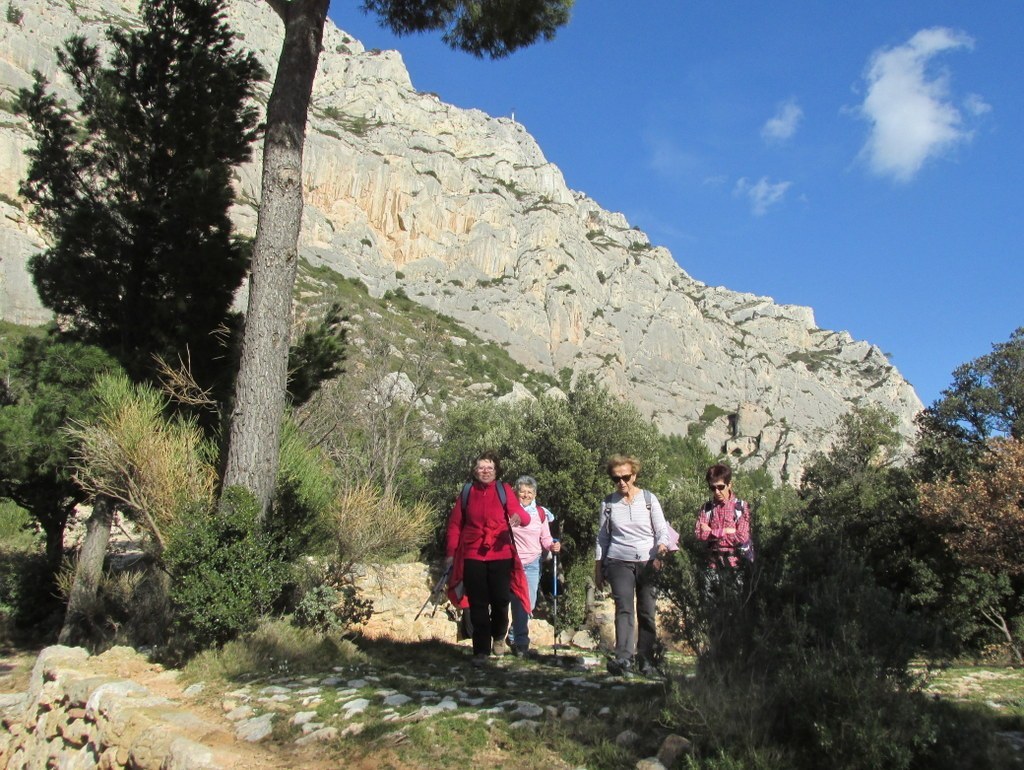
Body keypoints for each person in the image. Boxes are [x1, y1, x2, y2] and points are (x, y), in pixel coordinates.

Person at [444, 451, 532, 664]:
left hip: (500, 552)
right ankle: (481, 650)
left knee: (501, 600)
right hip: (473, 553)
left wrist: (518, 518)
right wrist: (450, 555)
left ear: (496, 471)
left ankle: (499, 635)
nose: (485, 471)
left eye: (489, 468)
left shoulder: (504, 490)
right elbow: (456, 525)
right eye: (481, 468)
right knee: (477, 602)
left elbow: (523, 516)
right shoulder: (467, 492)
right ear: (475, 471)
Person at [594, 454, 670, 677]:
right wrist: (598, 569)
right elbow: (602, 538)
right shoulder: (608, 503)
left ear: (634, 475)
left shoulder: (648, 499)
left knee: (647, 611)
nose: (621, 482)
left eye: (625, 477)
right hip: (618, 562)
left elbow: (661, 530)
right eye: (616, 478)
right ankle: (624, 658)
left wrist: (661, 551)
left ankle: (646, 659)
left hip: (648, 562)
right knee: (624, 608)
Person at [507, 476, 561, 656]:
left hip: (531, 564)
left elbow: (545, 537)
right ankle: (512, 639)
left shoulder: (540, 514)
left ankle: (517, 637)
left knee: (527, 603)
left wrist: (552, 546)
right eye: (522, 491)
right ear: (516, 492)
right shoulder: (509, 511)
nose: (526, 495)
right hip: (510, 563)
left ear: (535, 494)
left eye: (530, 492)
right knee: (503, 602)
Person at [694, 463, 751, 573]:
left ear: (729, 485)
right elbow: (699, 534)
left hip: (736, 565)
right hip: (712, 566)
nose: (717, 492)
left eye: (720, 487)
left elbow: (742, 537)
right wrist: (726, 531)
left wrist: (711, 532)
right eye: (712, 488)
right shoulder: (706, 508)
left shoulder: (741, 507)